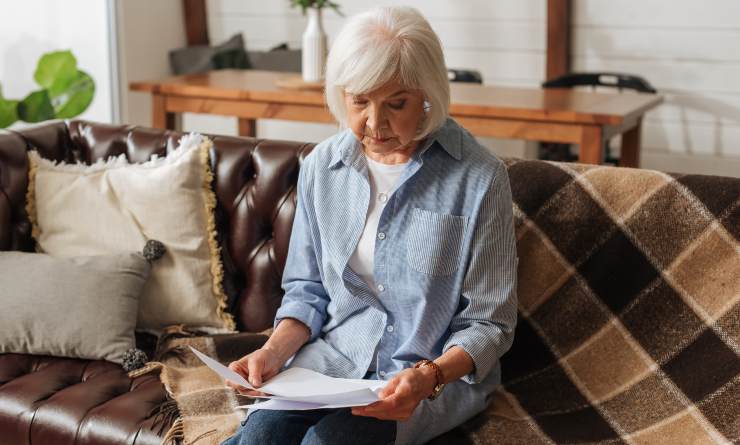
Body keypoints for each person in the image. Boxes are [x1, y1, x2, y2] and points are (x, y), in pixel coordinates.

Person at [221, 6, 518, 445]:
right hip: (332, 366)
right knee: (257, 438)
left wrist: (428, 376)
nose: (374, 124)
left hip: (427, 382)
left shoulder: (479, 178)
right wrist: (271, 353)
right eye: (359, 101)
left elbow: (490, 324)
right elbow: (308, 292)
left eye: (396, 104)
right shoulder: (323, 166)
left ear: (428, 95)